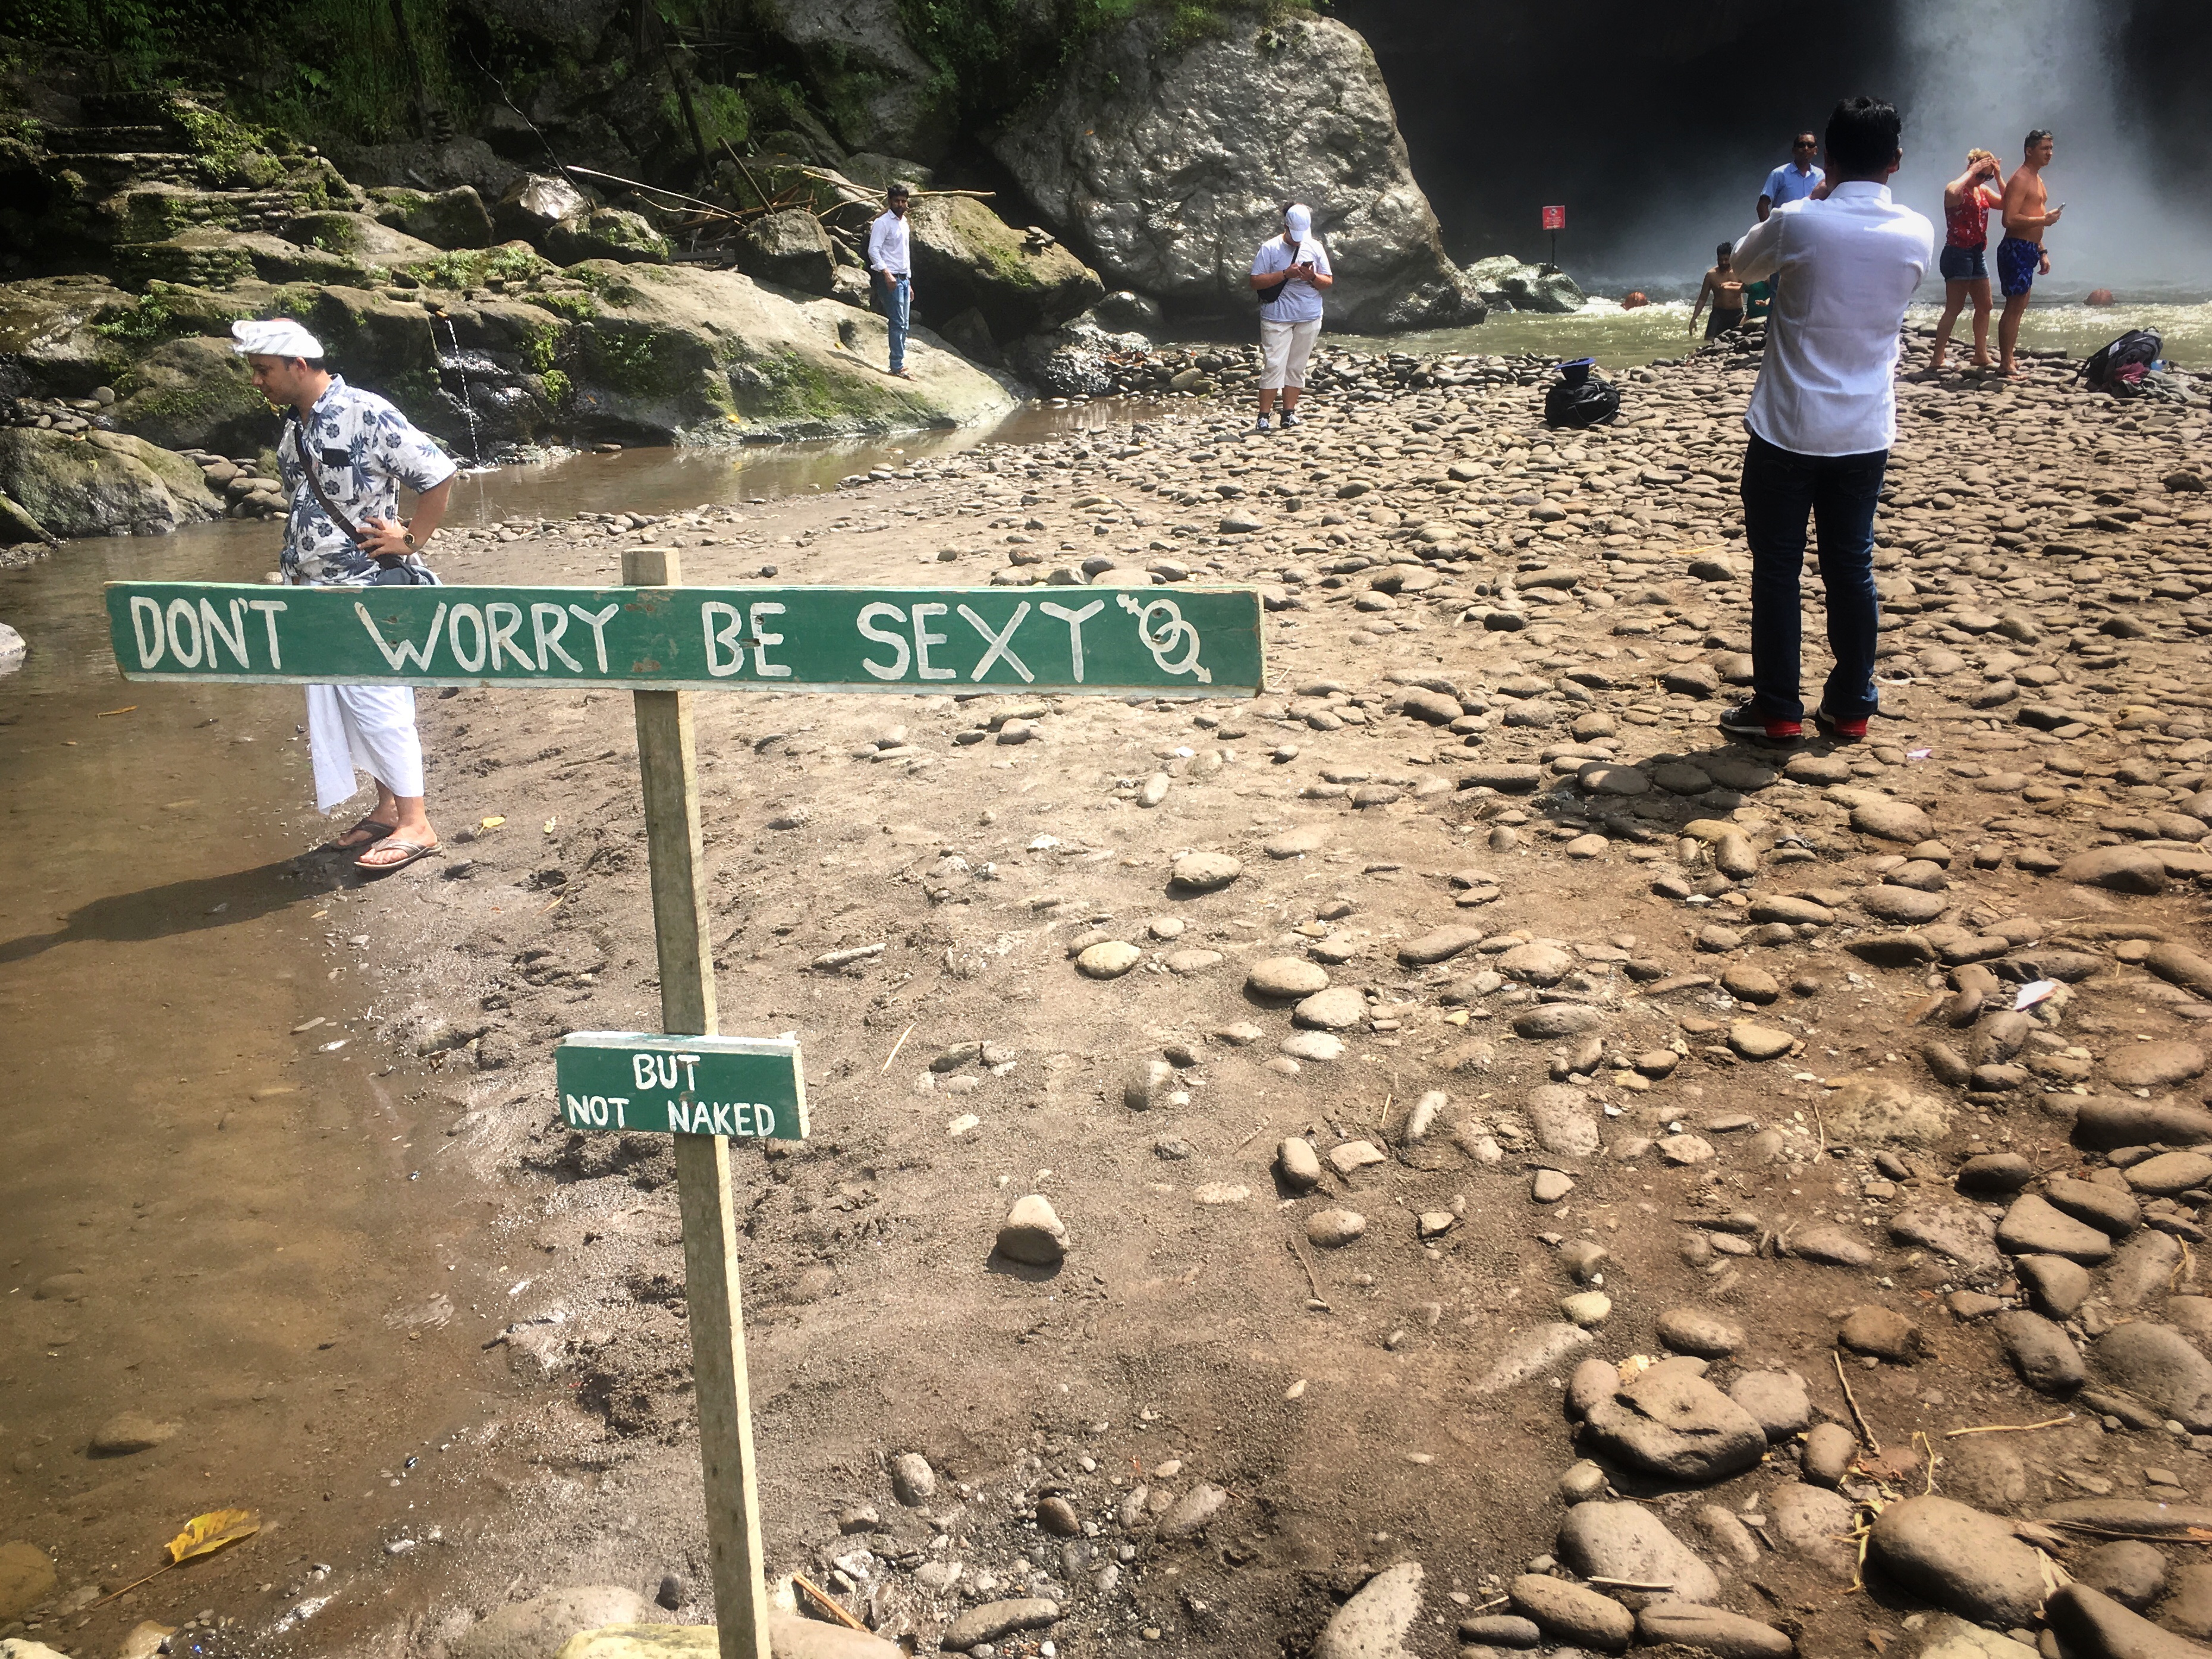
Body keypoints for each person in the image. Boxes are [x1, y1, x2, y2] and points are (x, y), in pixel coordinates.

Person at [1718, 96, 1933, 747]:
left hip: (1788, 425)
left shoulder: (1799, 221)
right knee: (1851, 565)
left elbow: (1740, 270)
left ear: (1828, 159)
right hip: (1865, 429)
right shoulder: (1918, 231)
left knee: (1778, 569)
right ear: (1897, 161)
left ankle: (1779, 709)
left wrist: (1814, 200)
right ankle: (1851, 706)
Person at [232, 318, 456, 873]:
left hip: (365, 586)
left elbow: (438, 472)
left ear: (298, 366)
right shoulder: (295, 427)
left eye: (263, 370)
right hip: (316, 592)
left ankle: (417, 823)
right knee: (352, 707)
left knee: (380, 703)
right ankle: (387, 809)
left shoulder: (365, 411)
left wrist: (411, 539)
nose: (257, 381)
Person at [1248, 202, 1333, 433]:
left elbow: (1328, 281)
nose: (1298, 241)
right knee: (1274, 365)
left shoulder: (1314, 247)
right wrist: (1286, 274)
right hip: (1277, 316)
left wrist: (1311, 277)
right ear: (1285, 226)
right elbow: (1255, 282)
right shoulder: (1270, 248)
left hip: (1309, 315)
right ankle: (1263, 416)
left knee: (1297, 366)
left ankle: (1289, 414)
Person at [1930, 149, 2006, 370]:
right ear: (1971, 167)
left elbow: (2006, 203)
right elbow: (1951, 191)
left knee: (1985, 305)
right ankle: (1937, 358)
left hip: (1976, 252)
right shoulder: (1958, 189)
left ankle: (1980, 354)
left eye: (1987, 177)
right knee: (1954, 307)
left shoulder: (1983, 190)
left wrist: (1998, 176)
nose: (1983, 180)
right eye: (1981, 175)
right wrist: (1972, 172)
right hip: (1957, 252)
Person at [1997, 130, 2062, 378]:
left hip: (2029, 248)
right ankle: (2005, 363)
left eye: (2051, 148)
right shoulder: (2021, 178)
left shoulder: (2037, 178)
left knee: (2021, 306)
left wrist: (2042, 250)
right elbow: (2009, 219)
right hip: (2016, 247)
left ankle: (2010, 358)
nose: (2050, 153)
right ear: (2029, 150)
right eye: (2045, 148)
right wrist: (2044, 220)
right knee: (2014, 307)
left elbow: (2034, 214)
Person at [867, 182, 915, 381]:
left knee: (905, 324)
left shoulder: (904, 224)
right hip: (889, 277)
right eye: (897, 201)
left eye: (903, 201)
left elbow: (904, 254)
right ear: (890, 201)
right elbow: (873, 250)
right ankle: (897, 366)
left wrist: (909, 282)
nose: (900, 205)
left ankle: (899, 363)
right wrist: (886, 274)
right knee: (897, 322)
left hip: (903, 278)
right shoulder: (882, 223)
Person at [1757, 133, 1825, 221]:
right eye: (1801, 145)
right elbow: (1762, 205)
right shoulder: (1779, 174)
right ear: (1794, 150)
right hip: (1785, 228)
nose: (1806, 149)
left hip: (1813, 227)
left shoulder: (1822, 176)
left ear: (1815, 150)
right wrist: (1769, 228)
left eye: (1810, 145)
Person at [1688, 241, 1746, 339]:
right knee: (1709, 341)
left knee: (1738, 341)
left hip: (1737, 313)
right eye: (1720, 259)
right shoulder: (1711, 275)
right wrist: (1694, 319)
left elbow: (1749, 289)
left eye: (1726, 259)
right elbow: (1702, 299)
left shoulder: (1739, 272)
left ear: (1731, 258)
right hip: (1718, 314)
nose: (1723, 263)